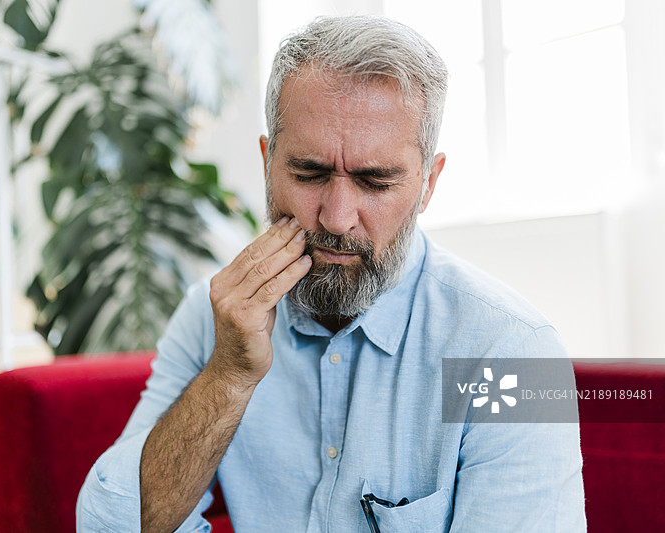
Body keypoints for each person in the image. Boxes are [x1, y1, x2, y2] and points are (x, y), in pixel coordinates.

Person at [77, 15, 586, 533]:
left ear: (428, 184)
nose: (336, 217)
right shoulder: (215, 317)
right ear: (267, 162)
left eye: (375, 181)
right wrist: (228, 376)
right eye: (309, 174)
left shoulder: (516, 350)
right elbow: (108, 525)